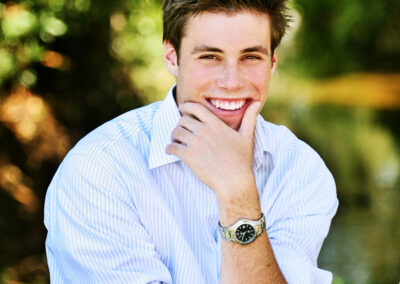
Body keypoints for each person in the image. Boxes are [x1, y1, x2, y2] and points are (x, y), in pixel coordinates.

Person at [44, 0, 338, 283]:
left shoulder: (301, 170)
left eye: (251, 57)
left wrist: (237, 194)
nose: (232, 81)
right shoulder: (98, 170)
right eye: (210, 56)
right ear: (172, 57)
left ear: (272, 63)